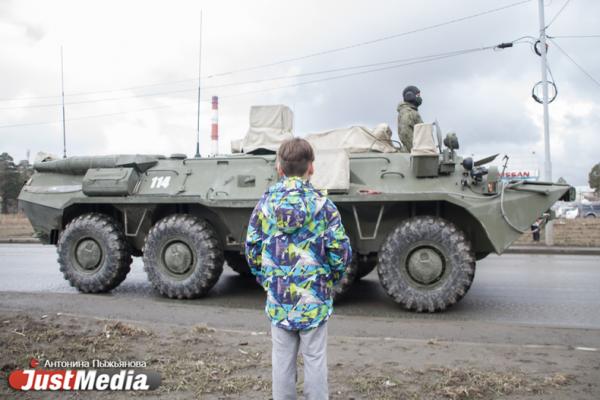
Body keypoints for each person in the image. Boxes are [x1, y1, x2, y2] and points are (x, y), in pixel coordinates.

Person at [245, 138, 352, 400]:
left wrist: (268, 281)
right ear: (311, 168)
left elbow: (252, 249)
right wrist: (329, 280)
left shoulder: (265, 206)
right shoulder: (324, 207)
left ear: (279, 169)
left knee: (281, 360)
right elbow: (340, 253)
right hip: (313, 298)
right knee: (315, 358)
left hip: (279, 298)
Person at [397, 85, 424, 152]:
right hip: (413, 154)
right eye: (418, 95)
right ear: (410, 96)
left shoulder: (411, 111)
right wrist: (415, 152)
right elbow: (405, 133)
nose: (420, 98)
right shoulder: (408, 113)